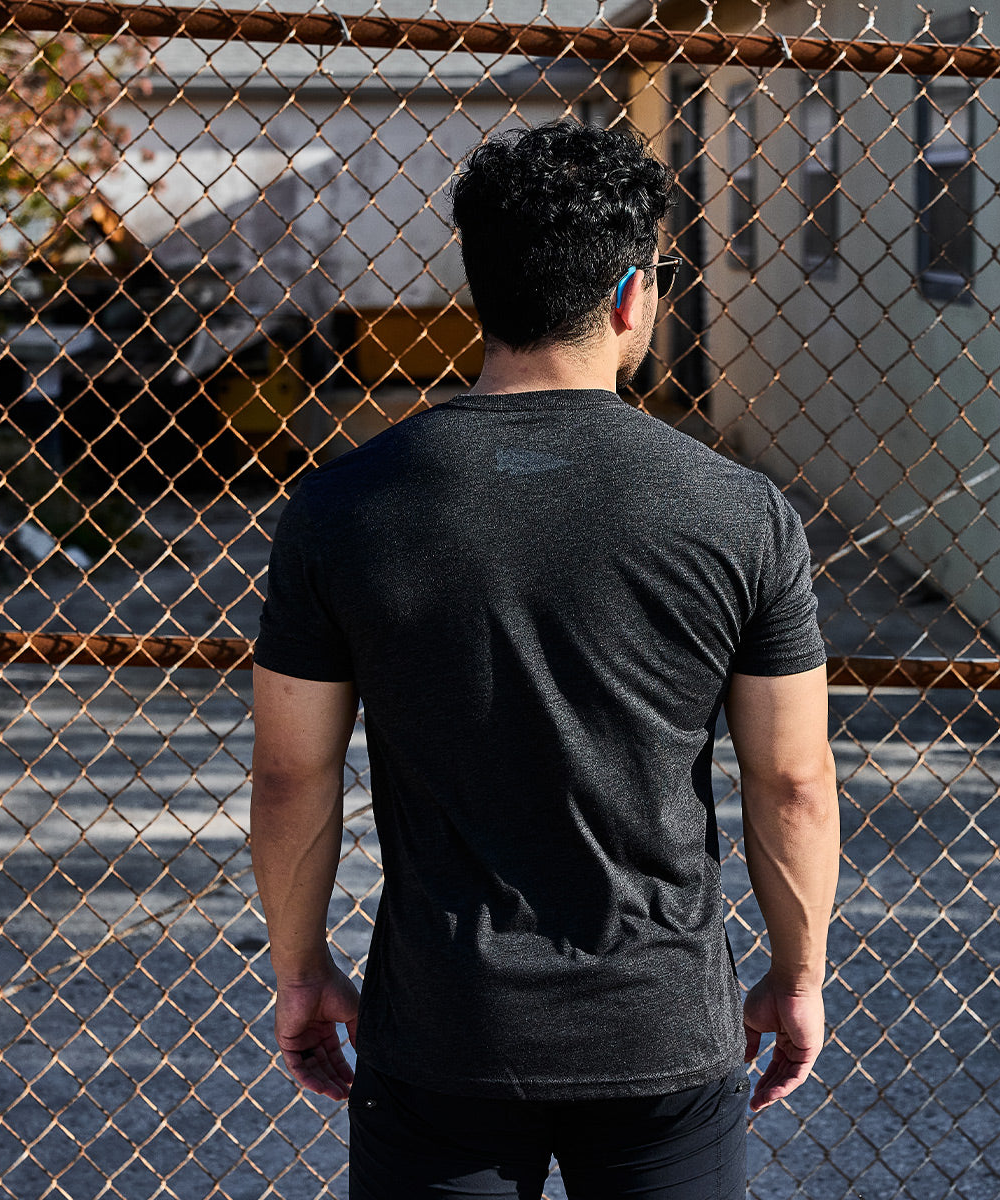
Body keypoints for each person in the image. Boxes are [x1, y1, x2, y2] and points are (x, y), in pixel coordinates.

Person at [250, 118, 840, 1200]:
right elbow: (792, 781)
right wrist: (797, 980)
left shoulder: (341, 508)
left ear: (481, 286)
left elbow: (293, 774)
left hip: (442, 1031)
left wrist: (300, 974)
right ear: (629, 296)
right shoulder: (741, 516)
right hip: (660, 1026)